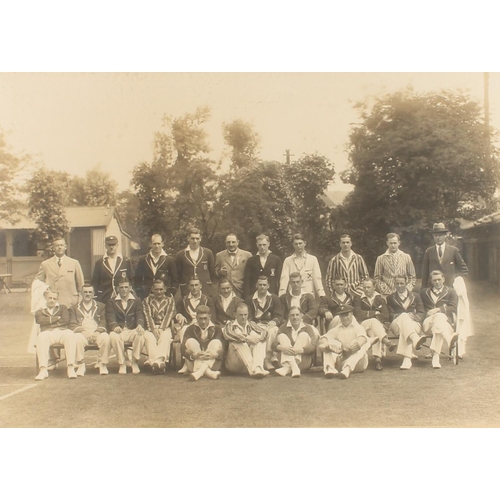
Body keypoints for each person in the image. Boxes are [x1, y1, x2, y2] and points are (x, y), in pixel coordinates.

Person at [107, 279, 155, 375]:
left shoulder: (136, 301)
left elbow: (139, 314)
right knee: (113, 336)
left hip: (132, 330)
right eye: (121, 287)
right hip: (119, 331)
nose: (124, 289)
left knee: (140, 334)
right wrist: (114, 326)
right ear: (117, 289)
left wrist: (140, 325)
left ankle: (134, 362)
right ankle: (122, 363)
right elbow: (110, 316)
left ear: (130, 288)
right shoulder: (111, 302)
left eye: (126, 287)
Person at [34, 288, 81, 380]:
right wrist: (56, 319)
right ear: (45, 298)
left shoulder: (62, 308)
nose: (52, 300)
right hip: (48, 333)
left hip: (62, 332)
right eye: (50, 298)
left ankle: (70, 367)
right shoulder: (40, 310)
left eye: (54, 299)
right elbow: (40, 321)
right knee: (41, 337)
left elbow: (65, 320)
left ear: (57, 299)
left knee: (70, 334)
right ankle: (43, 369)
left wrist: (49, 321)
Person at [318, 304, 372, 379]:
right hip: (342, 363)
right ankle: (330, 369)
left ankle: (347, 368)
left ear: (352, 314)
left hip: (359, 364)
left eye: (347, 315)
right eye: (342, 316)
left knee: (360, 343)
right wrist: (328, 345)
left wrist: (350, 349)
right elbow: (323, 339)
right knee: (331, 343)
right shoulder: (337, 329)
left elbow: (362, 339)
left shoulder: (359, 328)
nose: (345, 318)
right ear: (339, 317)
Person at [386, 275, 428, 370]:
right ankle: (415, 339)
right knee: (404, 316)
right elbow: (389, 314)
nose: (399, 286)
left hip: (414, 324)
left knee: (405, 328)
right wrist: (403, 315)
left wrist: (414, 317)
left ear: (406, 283)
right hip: (396, 325)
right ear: (394, 284)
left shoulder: (415, 296)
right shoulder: (390, 298)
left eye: (402, 283)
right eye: (397, 283)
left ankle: (407, 358)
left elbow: (421, 312)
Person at [353, 278, 395, 371]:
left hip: (377, 327)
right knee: (373, 322)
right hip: (362, 326)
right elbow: (358, 314)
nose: (366, 289)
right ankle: (386, 342)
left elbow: (385, 315)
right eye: (364, 287)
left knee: (375, 331)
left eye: (369, 287)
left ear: (374, 287)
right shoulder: (358, 299)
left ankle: (377, 360)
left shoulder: (380, 299)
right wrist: (375, 313)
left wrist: (368, 314)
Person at [69, 283, 111, 375]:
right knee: (76, 338)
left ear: (93, 294)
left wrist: (97, 332)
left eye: (90, 292)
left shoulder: (101, 306)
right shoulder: (74, 307)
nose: (87, 294)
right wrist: (83, 332)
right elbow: (72, 323)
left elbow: (104, 321)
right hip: (82, 333)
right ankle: (81, 365)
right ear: (81, 293)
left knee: (106, 338)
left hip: (97, 332)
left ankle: (102, 364)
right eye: (85, 292)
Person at [420, 270, 459, 369]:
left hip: (444, 323)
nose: (437, 282)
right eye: (434, 280)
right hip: (428, 323)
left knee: (439, 318)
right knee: (438, 318)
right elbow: (419, 308)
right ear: (431, 281)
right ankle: (449, 339)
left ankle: (436, 357)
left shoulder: (451, 291)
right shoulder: (424, 292)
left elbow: (453, 308)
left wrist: (438, 309)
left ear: (443, 279)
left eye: (439, 280)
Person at [246, 275, 285, 370]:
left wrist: (274, 321)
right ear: (256, 285)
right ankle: (258, 360)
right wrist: (251, 322)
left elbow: (279, 314)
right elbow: (248, 315)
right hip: (256, 324)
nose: (262, 287)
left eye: (264, 285)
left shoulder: (274, 298)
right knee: (254, 334)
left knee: (273, 330)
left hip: (269, 324)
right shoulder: (250, 299)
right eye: (260, 285)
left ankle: (267, 359)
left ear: (268, 286)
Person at [35, 236, 85, 307]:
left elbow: (81, 285)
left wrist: (79, 300)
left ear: (65, 247)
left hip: (70, 301)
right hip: (53, 301)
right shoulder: (45, 264)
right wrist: (48, 293)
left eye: (61, 245)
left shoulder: (74, 263)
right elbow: (38, 283)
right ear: (53, 248)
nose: (59, 247)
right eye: (57, 245)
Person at [223, 303, 269, 378]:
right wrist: (247, 338)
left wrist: (258, 338)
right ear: (235, 315)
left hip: (249, 364)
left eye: (245, 314)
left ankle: (257, 367)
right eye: (241, 315)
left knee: (257, 336)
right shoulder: (230, 324)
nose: (243, 317)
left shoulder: (251, 324)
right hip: (235, 364)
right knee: (237, 338)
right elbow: (227, 334)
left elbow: (265, 333)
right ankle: (254, 369)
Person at [180, 305, 225, 381]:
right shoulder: (190, 329)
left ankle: (198, 372)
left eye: (205, 318)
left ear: (210, 317)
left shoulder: (217, 328)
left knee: (216, 342)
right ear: (196, 318)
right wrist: (194, 355)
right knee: (190, 341)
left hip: (212, 363)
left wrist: (216, 354)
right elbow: (182, 348)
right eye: (200, 319)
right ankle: (209, 373)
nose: (203, 321)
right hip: (194, 362)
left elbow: (224, 348)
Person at [271, 307, 318, 377]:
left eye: (297, 315)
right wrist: (281, 347)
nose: (295, 317)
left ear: (301, 315)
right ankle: (294, 367)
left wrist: (301, 350)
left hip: (303, 362)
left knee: (303, 335)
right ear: (288, 317)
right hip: (285, 362)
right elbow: (273, 345)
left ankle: (288, 368)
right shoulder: (284, 327)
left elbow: (313, 346)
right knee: (282, 336)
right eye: (292, 315)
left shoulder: (307, 327)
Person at [142, 280, 177, 374]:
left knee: (165, 336)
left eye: (161, 289)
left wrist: (161, 329)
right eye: (156, 289)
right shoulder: (146, 300)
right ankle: (160, 363)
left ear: (165, 289)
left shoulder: (170, 300)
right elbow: (147, 315)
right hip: (150, 327)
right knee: (148, 337)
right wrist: (153, 329)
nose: (159, 292)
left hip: (165, 327)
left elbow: (168, 315)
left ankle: (155, 362)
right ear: (152, 289)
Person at [421, 223, 468, 289]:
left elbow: (464, 269)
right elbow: (425, 273)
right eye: (436, 235)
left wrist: (456, 279)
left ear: (445, 235)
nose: (438, 238)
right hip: (433, 288)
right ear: (433, 236)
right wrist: (423, 289)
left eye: (440, 235)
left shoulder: (453, 250)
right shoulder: (429, 251)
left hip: (450, 287)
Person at [279, 233, 325, 299]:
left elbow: (317, 277)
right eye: (296, 244)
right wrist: (281, 294)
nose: (298, 246)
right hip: (293, 294)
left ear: (305, 243)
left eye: (300, 243)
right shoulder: (288, 260)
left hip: (308, 294)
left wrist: (321, 294)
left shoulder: (312, 259)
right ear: (293, 245)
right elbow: (284, 278)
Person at [91, 235, 135, 304]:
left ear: (117, 245)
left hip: (122, 297)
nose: (111, 247)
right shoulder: (99, 262)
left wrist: (128, 293)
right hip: (105, 297)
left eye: (113, 245)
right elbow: (95, 282)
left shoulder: (125, 261)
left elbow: (131, 279)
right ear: (105, 245)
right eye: (109, 245)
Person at [135, 233, 179, 299]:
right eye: (154, 244)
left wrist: (170, 294)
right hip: (147, 295)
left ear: (162, 244)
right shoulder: (143, 259)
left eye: (159, 243)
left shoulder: (169, 259)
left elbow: (175, 280)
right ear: (151, 244)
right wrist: (140, 294)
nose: (157, 246)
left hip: (163, 295)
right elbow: (137, 279)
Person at [325, 234, 369, 298]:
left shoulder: (358, 258)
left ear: (351, 243)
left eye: (347, 242)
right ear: (340, 244)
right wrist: (333, 293)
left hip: (357, 292)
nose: (345, 244)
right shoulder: (334, 260)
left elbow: (365, 276)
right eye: (343, 242)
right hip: (341, 294)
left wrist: (361, 290)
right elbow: (329, 279)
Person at [174, 278, 216, 345]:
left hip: (203, 324)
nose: (194, 288)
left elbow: (212, 316)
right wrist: (179, 315)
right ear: (188, 287)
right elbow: (175, 312)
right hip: (188, 324)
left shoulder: (207, 299)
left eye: (196, 285)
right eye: (192, 285)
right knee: (183, 331)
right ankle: (185, 353)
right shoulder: (183, 300)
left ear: (200, 286)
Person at [175, 227, 215, 297]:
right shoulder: (180, 255)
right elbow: (178, 273)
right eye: (192, 238)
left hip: (205, 288)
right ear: (188, 238)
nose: (195, 241)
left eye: (197, 238)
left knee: (204, 307)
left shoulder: (208, 253)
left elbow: (211, 271)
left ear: (200, 238)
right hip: (187, 289)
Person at [243, 234, 282, 298]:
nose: (262, 247)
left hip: (271, 293)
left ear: (268, 244)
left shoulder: (276, 259)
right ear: (256, 245)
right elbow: (247, 280)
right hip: (255, 294)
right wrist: (247, 296)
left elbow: (279, 279)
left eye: (264, 245)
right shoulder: (251, 260)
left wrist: (278, 294)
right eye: (260, 245)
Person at [215, 233, 252, 298]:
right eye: (228, 242)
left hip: (241, 289)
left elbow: (251, 274)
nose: (231, 244)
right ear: (225, 243)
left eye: (233, 242)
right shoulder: (219, 255)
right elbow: (215, 272)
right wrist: (220, 272)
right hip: (225, 290)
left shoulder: (247, 255)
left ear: (238, 242)